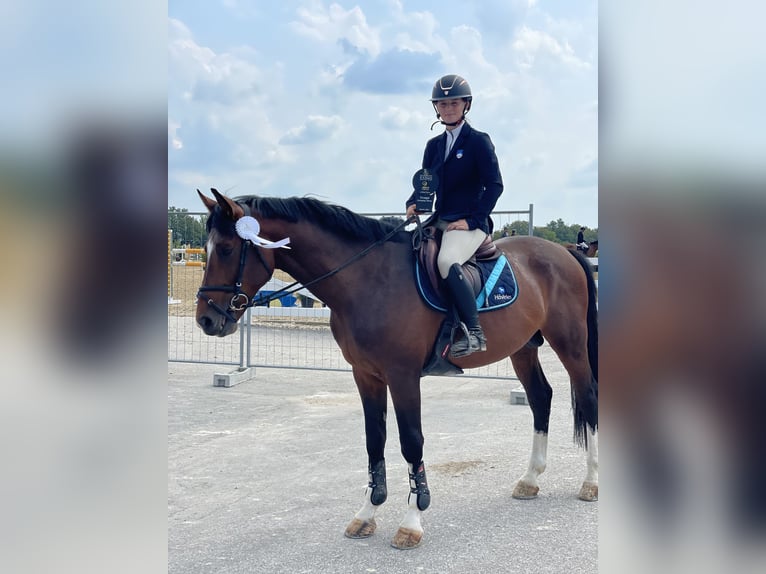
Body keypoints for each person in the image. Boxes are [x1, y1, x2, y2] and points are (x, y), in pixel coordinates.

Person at [406, 74, 504, 358]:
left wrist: (473, 220)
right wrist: (414, 203)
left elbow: (495, 185)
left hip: (469, 223)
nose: (448, 108)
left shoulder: (478, 142)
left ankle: (474, 332)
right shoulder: (433, 146)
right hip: (440, 219)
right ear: (436, 107)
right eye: (442, 103)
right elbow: (427, 184)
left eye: (454, 102)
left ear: (466, 105)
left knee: (447, 260)